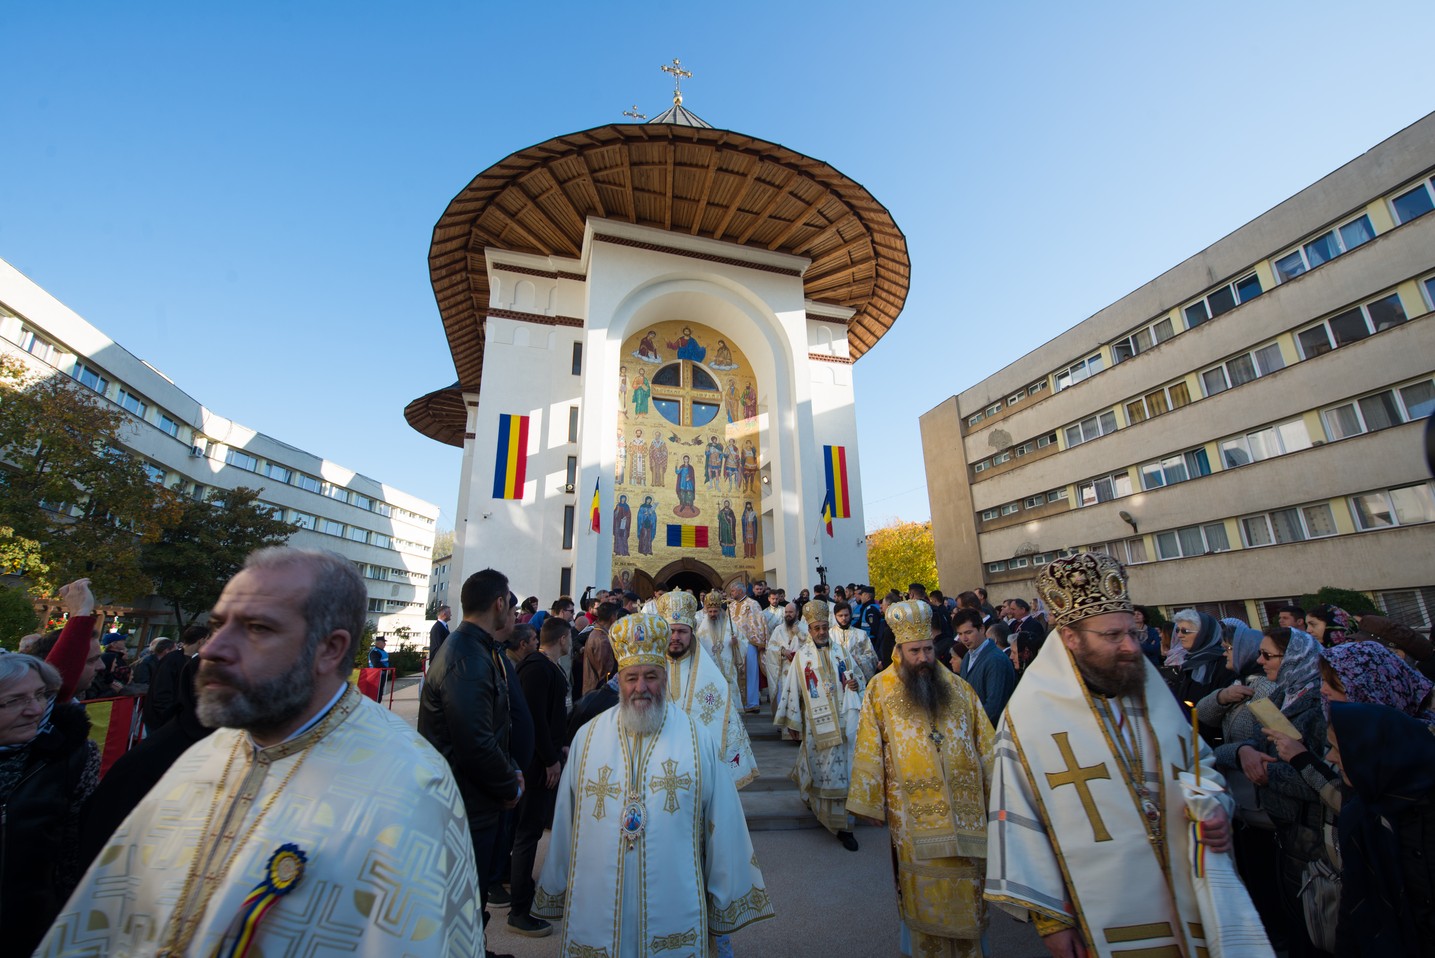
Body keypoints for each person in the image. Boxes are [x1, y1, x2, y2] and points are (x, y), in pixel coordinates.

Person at [38, 547, 482, 957]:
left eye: (257, 628)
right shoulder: (197, 758)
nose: (213, 650)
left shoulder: (411, 783)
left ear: (330, 649)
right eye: (217, 626)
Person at [986, 552, 1243, 958]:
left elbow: (1200, 765)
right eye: (1111, 636)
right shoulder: (1028, 717)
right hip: (1101, 916)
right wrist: (1052, 921)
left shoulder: (1151, 692)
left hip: (1190, 899)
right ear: (1071, 638)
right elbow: (1016, 822)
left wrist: (1215, 808)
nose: (1129, 647)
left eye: (1132, 633)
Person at [533, 613, 774, 953]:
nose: (641, 687)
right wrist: (556, 884)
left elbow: (724, 821)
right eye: (631, 677)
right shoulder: (588, 739)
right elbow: (566, 821)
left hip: (675, 901)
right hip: (598, 902)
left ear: (665, 678)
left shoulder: (696, 738)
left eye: (651, 676)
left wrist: (723, 896)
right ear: (619, 678)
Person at [848, 599, 996, 958]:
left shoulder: (960, 690)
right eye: (915, 651)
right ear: (899, 651)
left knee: (968, 896)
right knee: (921, 893)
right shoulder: (879, 690)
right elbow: (868, 744)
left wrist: (998, 796)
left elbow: (987, 746)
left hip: (966, 816)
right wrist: (868, 801)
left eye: (928, 649)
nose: (924, 658)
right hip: (912, 817)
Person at [418, 567, 522, 938]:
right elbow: (474, 741)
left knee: (471, 896)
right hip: (466, 801)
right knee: (463, 897)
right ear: (498, 603)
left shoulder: (475, 649)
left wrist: (509, 768)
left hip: (475, 797)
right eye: (511, 604)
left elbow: (491, 727)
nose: (514, 613)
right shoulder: (468, 658)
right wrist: (509, 785)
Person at [0, 654, 100, 955]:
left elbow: (75, 851)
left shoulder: (69, 757)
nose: (34, 710)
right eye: (15, 700)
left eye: (41, 695)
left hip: (30, 928)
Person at [1326, 701, 1435, 957]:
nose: (1330, 757)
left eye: (1337, 748)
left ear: (1373, 751)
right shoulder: (1361, 816)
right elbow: (1355, 904)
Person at [776, 599, 866, 848]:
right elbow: (792, 689)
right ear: (810, 629)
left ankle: (843, 826)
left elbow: (856, 675)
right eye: (816, 628)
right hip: (816, 725)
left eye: (824, 627)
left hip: (843, 721)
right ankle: (818, 806)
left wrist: (856, 685)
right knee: (821, 770)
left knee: (842, 773)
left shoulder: (841, 651)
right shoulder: (802, 657)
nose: (822, 632)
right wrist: (792, 723)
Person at [508, 616, 572, 938]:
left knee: (530, 830)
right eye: (569, 638)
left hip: (542, 761)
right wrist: (549, 758)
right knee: (528, 833)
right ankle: (519, 909)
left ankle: (522, 889)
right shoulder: (536, 667)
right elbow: (533, 719)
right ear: (562, 640)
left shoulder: (546, 667)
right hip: (536, 766)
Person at [659, 590, 758, 788]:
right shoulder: (650, 672)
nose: (676, 637)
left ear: (691, 633)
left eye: (682, 631)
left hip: (700, 767)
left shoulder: (715, 682)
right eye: (671, 631)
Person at [1164, 608, 1235, 719]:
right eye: (1177, 630)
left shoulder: (1224, 663)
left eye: (1185, 631)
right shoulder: (1189, 662)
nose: (1179, 636)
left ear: (1204, 634)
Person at [954, 607, 1016, 726]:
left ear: (981, 629)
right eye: (960, 634)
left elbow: (994, 707)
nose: (964, 639)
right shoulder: (968, 656)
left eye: (968, 632)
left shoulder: (996, 660)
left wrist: (969, 727)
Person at [144, 623, 205, 730]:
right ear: (201, 641)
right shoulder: (172, 659)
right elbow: (162, 690)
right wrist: (169, 716)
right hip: (163, 720)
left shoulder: (190, 660)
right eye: (209, 639)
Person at [695, 589, 745, 704]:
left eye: (715, 611)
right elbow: (698, 649)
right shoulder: (702, 629)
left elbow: (743, 642)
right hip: (711, 669)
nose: (713, 614)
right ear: (707, 611)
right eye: (710, 611)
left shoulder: (730, 626)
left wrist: (736, 643)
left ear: (720, 611)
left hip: (728, 669)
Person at [728, 582, 767, 711]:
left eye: (733, 590)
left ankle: (752, 703)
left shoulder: (753, 604)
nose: (731, 593)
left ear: (740, 591)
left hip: (750, 642)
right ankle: (737, 702)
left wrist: (760, 640)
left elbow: (760, 622)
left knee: (750, 672)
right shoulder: (731, 605)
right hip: (734, 643)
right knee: (734, 672)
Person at [582, 601, 620, 694]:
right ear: (612, 618)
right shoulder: (602, 640)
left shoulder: (598, 633)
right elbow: (605, 673)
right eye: (616, 617)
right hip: (598, 691)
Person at [366, 634, 391, 700]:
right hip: (376, 675)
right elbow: (376, 663)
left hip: (382, 674)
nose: (385, 644)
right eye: (384, 642)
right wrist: (386, 669)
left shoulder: (382, 651)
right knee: (376, 692)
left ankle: (378, 702)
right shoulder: (375, 652)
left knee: (380, 691)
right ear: (379, 643)